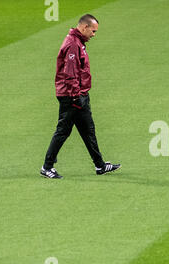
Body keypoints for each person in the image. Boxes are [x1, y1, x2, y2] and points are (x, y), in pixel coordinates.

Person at [40, 14, 120, 179]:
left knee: (88, 131)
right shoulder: (73, 45)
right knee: (63, 131)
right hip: (72, 97)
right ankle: (47, 167)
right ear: (84, 27)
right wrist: (76, 98)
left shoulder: (78, 43)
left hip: (79, 94)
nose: (94, 34)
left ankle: (100, 165)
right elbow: (70, 75)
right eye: (93, 31)